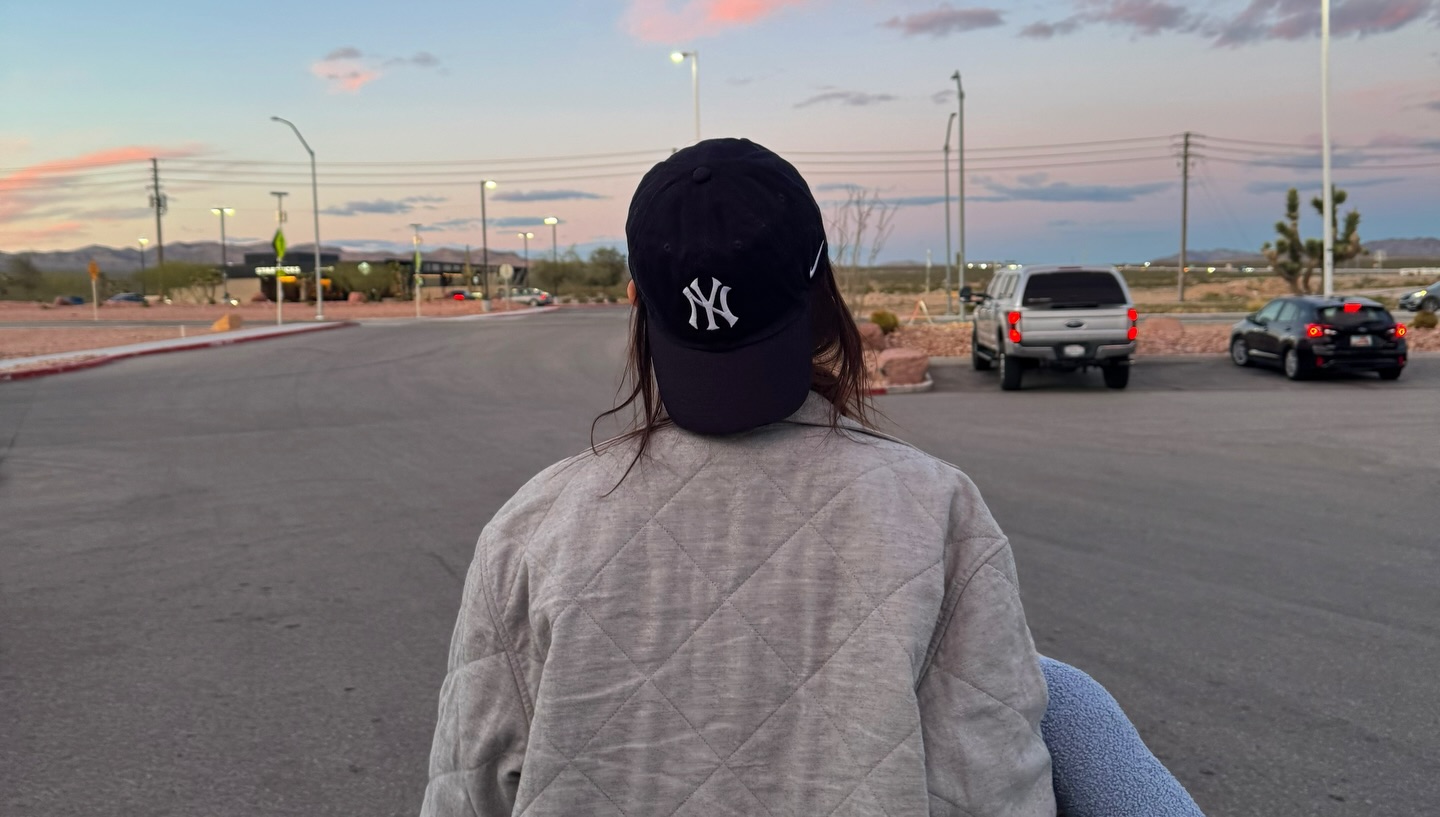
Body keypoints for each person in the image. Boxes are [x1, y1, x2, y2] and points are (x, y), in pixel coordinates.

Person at [420, 138, 1056, 816]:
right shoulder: (940, 513)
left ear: (636, 300)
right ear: (822, 286)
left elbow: (465, 790)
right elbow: (997, 785)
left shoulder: (530, 530)